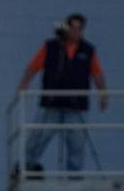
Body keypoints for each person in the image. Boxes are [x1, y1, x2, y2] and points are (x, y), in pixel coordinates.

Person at [17, 13, 107, 174]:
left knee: (76, 143)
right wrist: (23, 85)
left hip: (76, 106)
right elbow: (33, 67)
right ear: (66, 28)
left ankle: (73, 176)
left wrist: (103, 94)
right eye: (72, 28)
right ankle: (26, 166)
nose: (75, 32)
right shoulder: (51, 47)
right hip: (52, 104)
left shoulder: (88, 50)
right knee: (39, 137)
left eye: (79, 29)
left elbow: (97, 74)